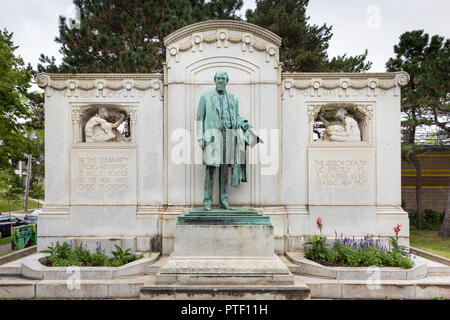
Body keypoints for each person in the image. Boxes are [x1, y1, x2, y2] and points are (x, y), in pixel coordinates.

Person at [197, 71, 252, 211]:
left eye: (223, 79)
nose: (221, 81)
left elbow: (236, 116)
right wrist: (200, 137)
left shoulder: (233, 99)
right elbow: (199, 119)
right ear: (214, 80)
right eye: (219, 78)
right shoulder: (206, 98)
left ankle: (223, 200)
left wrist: (243, 124)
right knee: (211, 169)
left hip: (228, 136)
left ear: (227, 81)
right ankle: (207, 200)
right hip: (212, 137)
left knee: (225, 171)